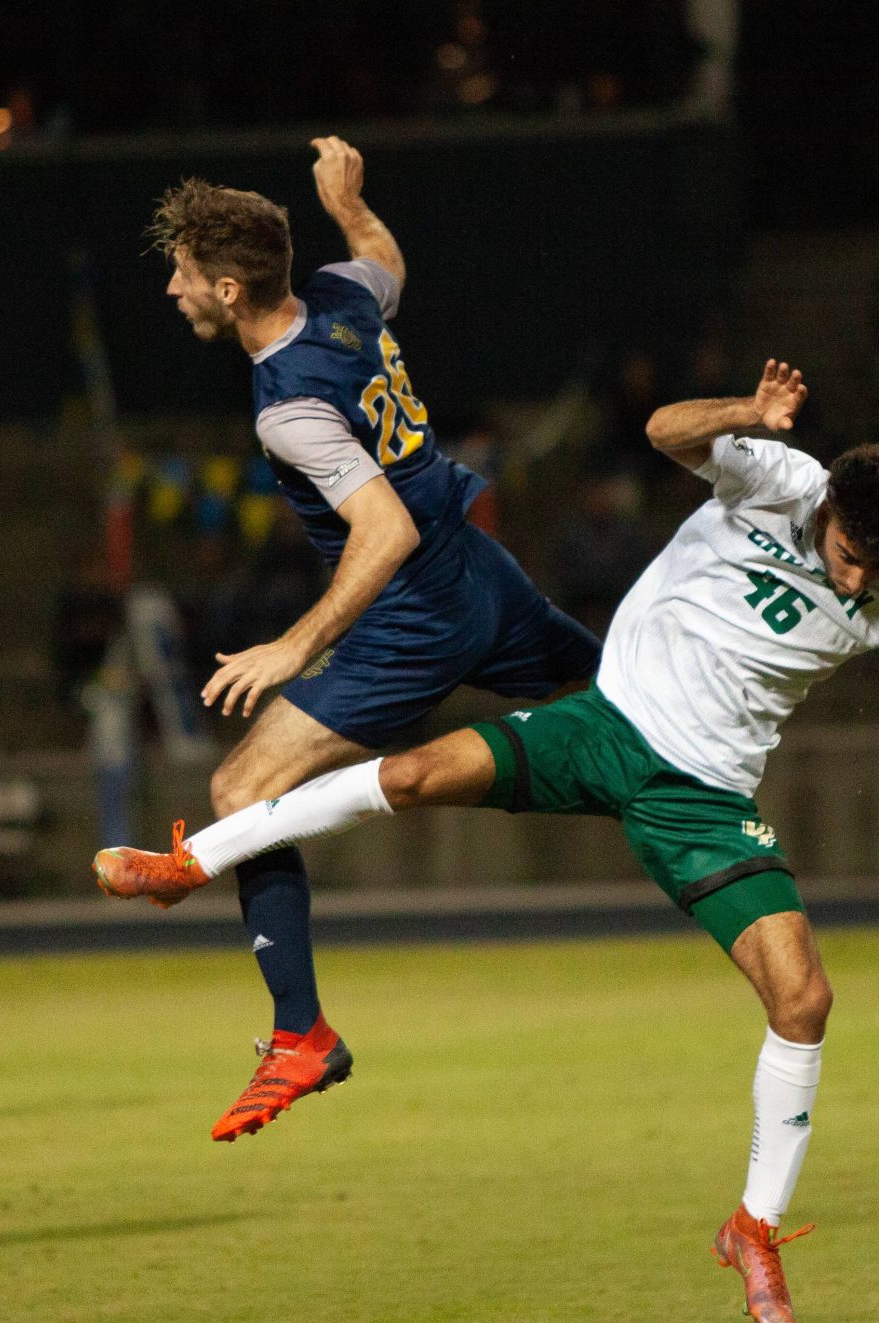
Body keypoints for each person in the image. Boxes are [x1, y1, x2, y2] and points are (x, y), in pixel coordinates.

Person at [95, 361, 879, 1323]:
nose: (854, 577)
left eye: (873, 565)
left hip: (703, 801)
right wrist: (746, 413)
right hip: (602, 725)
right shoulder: (780, 478)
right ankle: (189, 864)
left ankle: (751, 1228)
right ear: (831, 506)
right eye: (848, 552)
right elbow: (664, 430)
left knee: (802, 999)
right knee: (415, 776)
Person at [144, 138, 600, 1141]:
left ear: (226, 288)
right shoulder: (343, 294)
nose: (171, 289)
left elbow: (380, 531)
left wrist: (293, 648)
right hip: (479, 570)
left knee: (236, 795)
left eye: (182, 274)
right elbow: (387, 259)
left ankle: (299, 1033)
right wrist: (349, 203)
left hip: (414, 613)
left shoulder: (287, 409)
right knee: (616, 695)